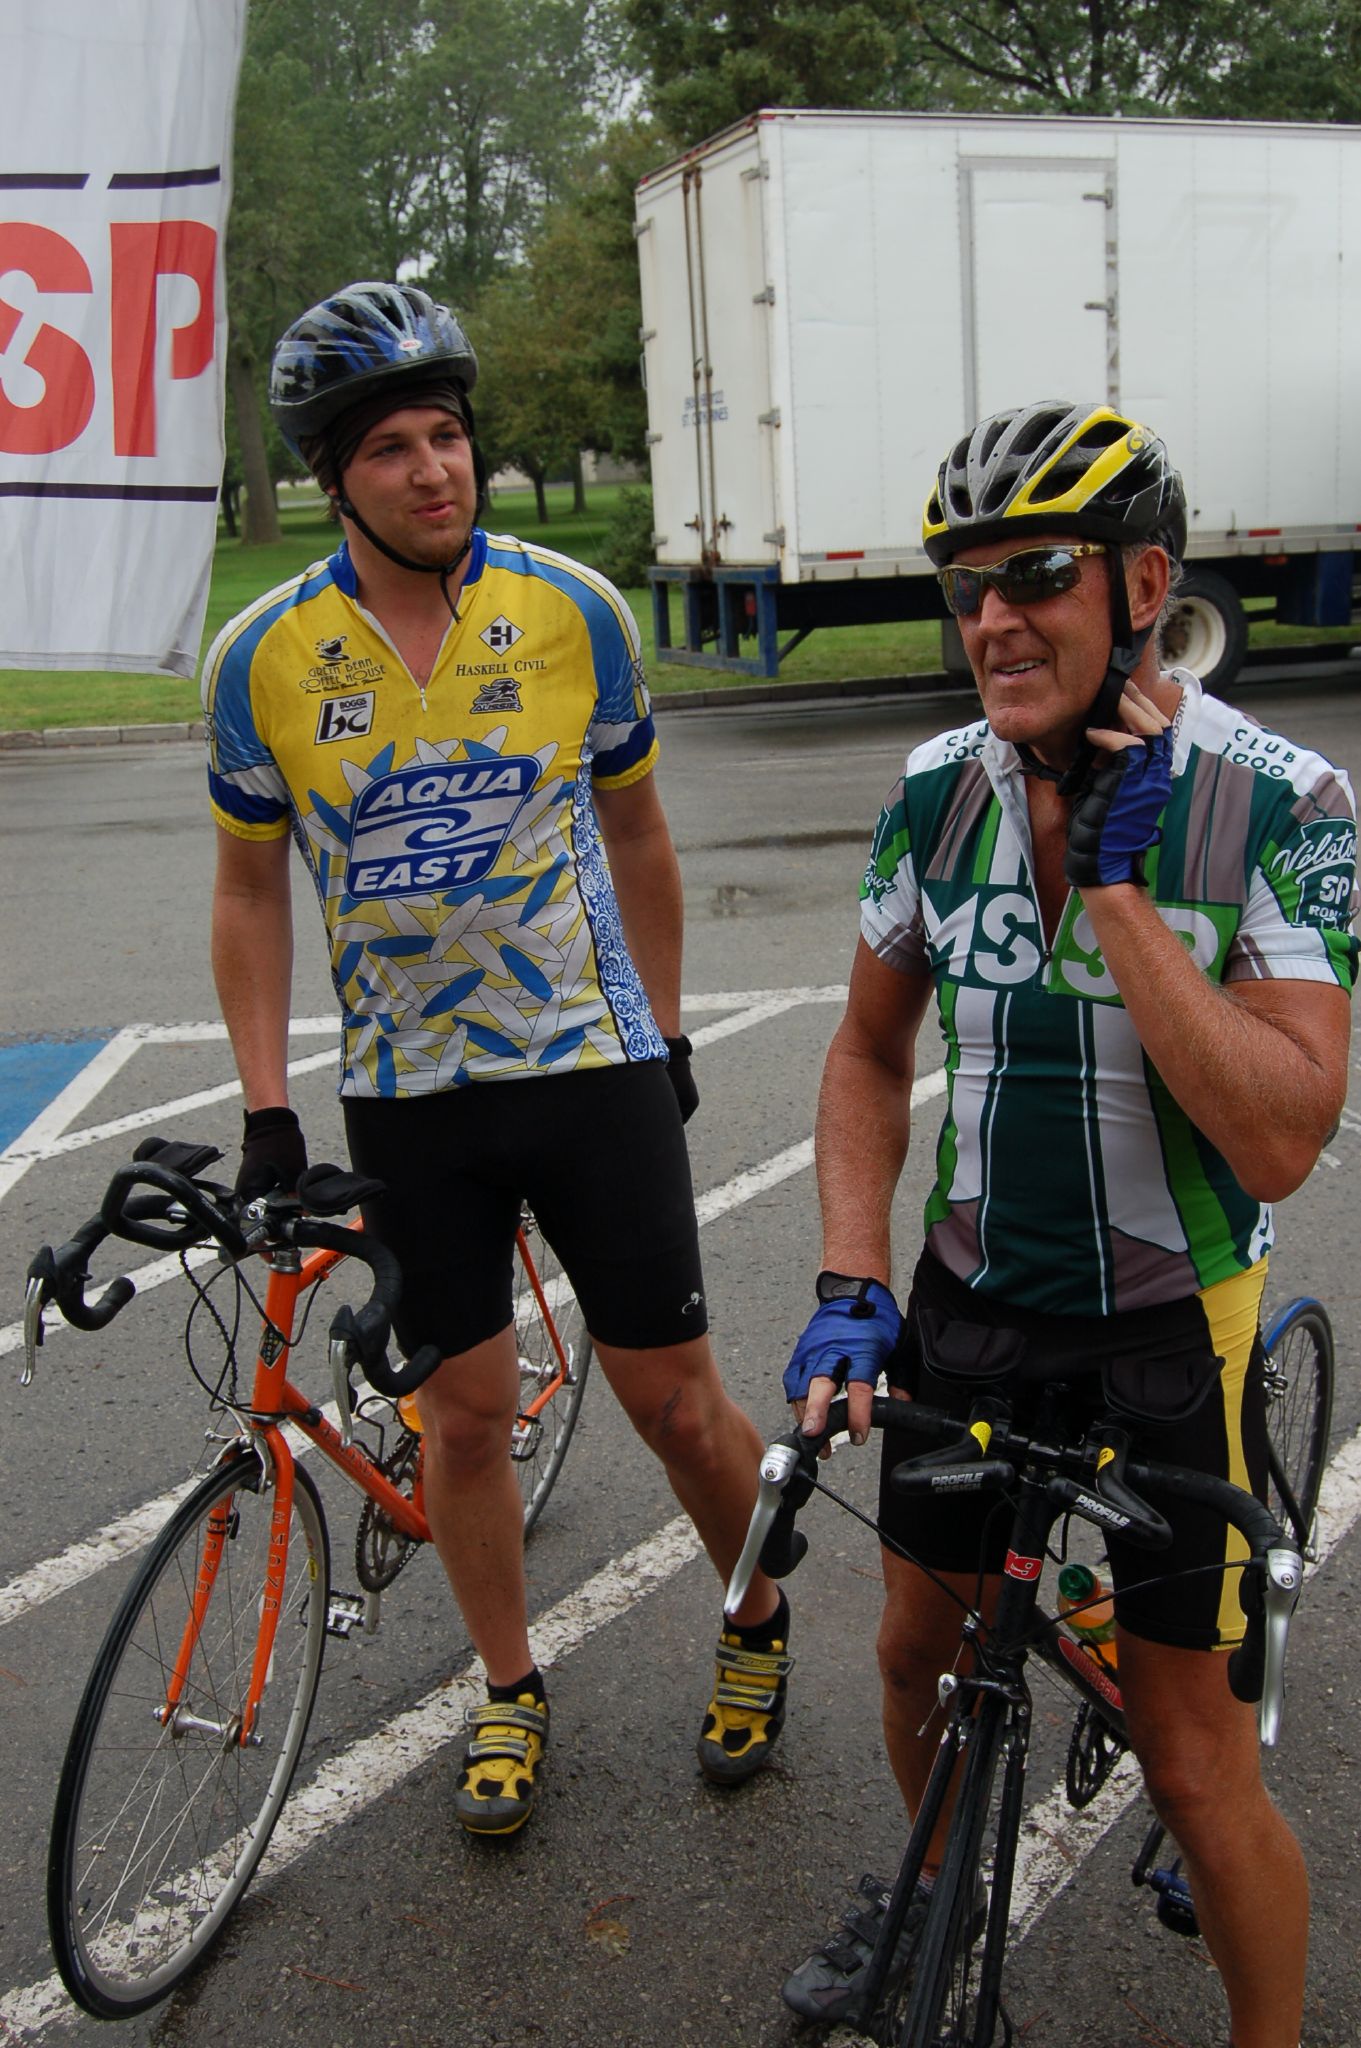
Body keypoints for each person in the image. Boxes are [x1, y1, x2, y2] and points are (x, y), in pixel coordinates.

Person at [779, 401, 1356, 2048]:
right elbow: (867, 1053)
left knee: (1191, 1760)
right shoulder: (934, 789)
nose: (991, 620)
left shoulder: (1279, 800)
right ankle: (945, 1901)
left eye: (1034, 573)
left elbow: (1283, 1135)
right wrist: (844, 1275)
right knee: (914, 1655)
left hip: (1174, 1318)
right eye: (964, 584)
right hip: (973, 1301)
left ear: (1142, 580)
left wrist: (1117, 892)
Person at [200, 280, 791, 1837]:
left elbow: (640, 830)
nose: (431, 471)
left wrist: (659, 1028)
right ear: (335, 480)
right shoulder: (264, 655)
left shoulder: (571, 610)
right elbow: (247, 889)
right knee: (461, 1416)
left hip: (588, 1068)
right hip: (408, 1097)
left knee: (672, 1398)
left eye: (447, 436)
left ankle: (753, 1616)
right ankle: (509, 1685)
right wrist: (268, 1106)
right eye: (389, 448)